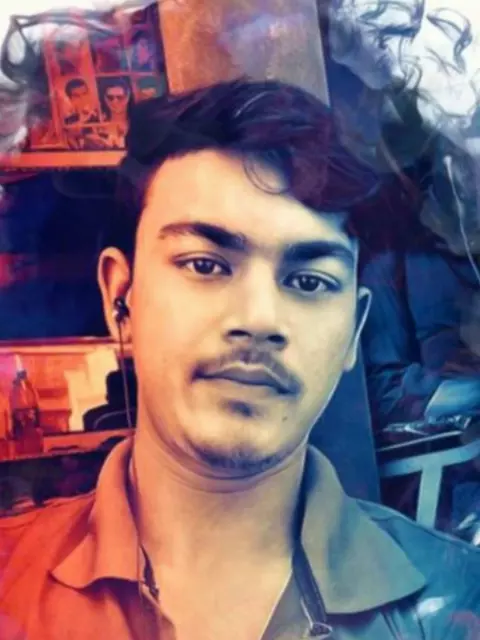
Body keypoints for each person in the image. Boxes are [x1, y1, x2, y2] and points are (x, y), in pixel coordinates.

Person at [0, 79, 478, 640]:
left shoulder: (456, 602)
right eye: (205, 265)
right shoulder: (11, 586)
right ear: (120, 296)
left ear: (353, 330)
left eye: (308, 281)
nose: (258, 318)